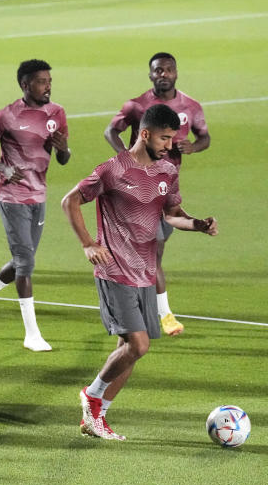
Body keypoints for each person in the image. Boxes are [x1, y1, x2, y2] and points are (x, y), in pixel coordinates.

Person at [62, 103, 217, 440]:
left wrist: (198, 224)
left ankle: (98, 416)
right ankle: (91, 395)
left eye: (172, 139)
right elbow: (69, 201)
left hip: (145, 273)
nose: (169, 145)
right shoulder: (112, 170)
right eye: (164, 138)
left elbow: (171, 214)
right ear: (144, 134)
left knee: (129, 351)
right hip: (114, 269)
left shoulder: (167, 172)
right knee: (138, 345)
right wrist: (88, 243)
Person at [0, 59, 71, 351]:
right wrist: (3, 168)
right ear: (25, 85)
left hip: (39, 196)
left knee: (23, 261)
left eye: (49, 80)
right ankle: (31, 334)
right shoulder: (7, 116)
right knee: (26, 263)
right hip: (12, 198)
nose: (48, 86)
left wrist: (64, 150)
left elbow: (63, 159)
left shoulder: (56, 113)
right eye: (41, 81)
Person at [104, 52, 210, 336]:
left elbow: (204, 136)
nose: (163, 74)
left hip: (167, 186)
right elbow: (110, 131)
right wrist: (128, 160)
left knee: (150, 252)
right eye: (158, 70)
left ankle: (139, 307)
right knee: (153, 248)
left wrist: (193, 147)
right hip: (138, 189)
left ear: (176, 72)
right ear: (150, 74)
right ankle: (163, 314)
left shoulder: (191, 106)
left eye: (168, 70)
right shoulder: (137, 106)